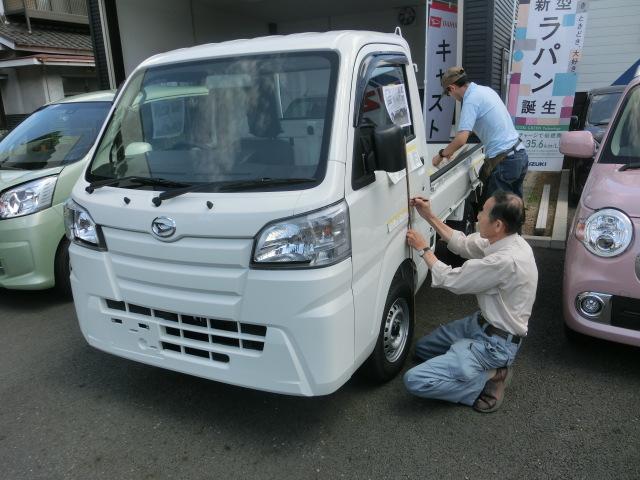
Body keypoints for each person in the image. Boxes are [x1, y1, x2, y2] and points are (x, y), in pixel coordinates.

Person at [404, 191, 538, 413]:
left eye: (483, 212)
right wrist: (429, 216)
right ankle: (462, 358)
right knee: (423, 350)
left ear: (497, 225)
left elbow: (451, 279)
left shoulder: (505, 260)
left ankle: (492, 376)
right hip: (480, 324)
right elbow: (463, 243)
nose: (477, 216)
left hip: (495, 345)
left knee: (415, 380)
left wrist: (423, 248)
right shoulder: (504, 240)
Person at [432, 66, 528, 200]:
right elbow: (472, 129)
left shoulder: (470, 101)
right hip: (519, 155)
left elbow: (461, 139)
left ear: (452, 88)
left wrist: (442, 154)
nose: (451, 97)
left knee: (495, 213)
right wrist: (452, 150)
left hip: (505, 162)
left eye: (448, 94)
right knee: (513, 211)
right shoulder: (485, 90)